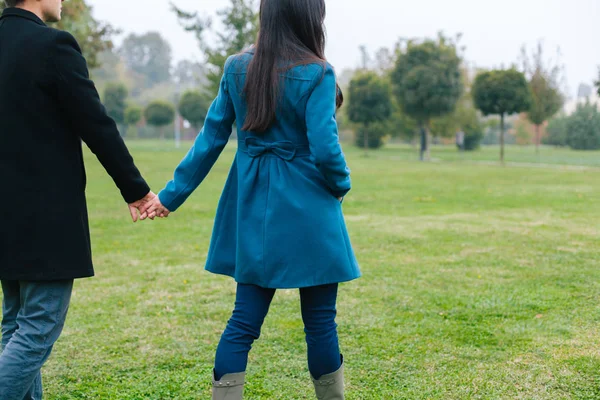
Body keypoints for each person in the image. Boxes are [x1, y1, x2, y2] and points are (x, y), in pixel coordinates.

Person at [141, 0, 361, 398]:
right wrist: (340, 186)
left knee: (244, 321)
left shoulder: (236, 67)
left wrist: (171, 196)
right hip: (311, 206)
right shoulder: (318, 72)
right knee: (320, 322)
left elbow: (210, 139)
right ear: (311, 18)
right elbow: (327, 150)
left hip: (255, 204)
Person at [0, 1, 155, 399]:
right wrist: (136, 189)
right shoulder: (52, 47)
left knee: (16, 323)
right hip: (44, 218)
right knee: (37, 329)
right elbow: (96, 124)